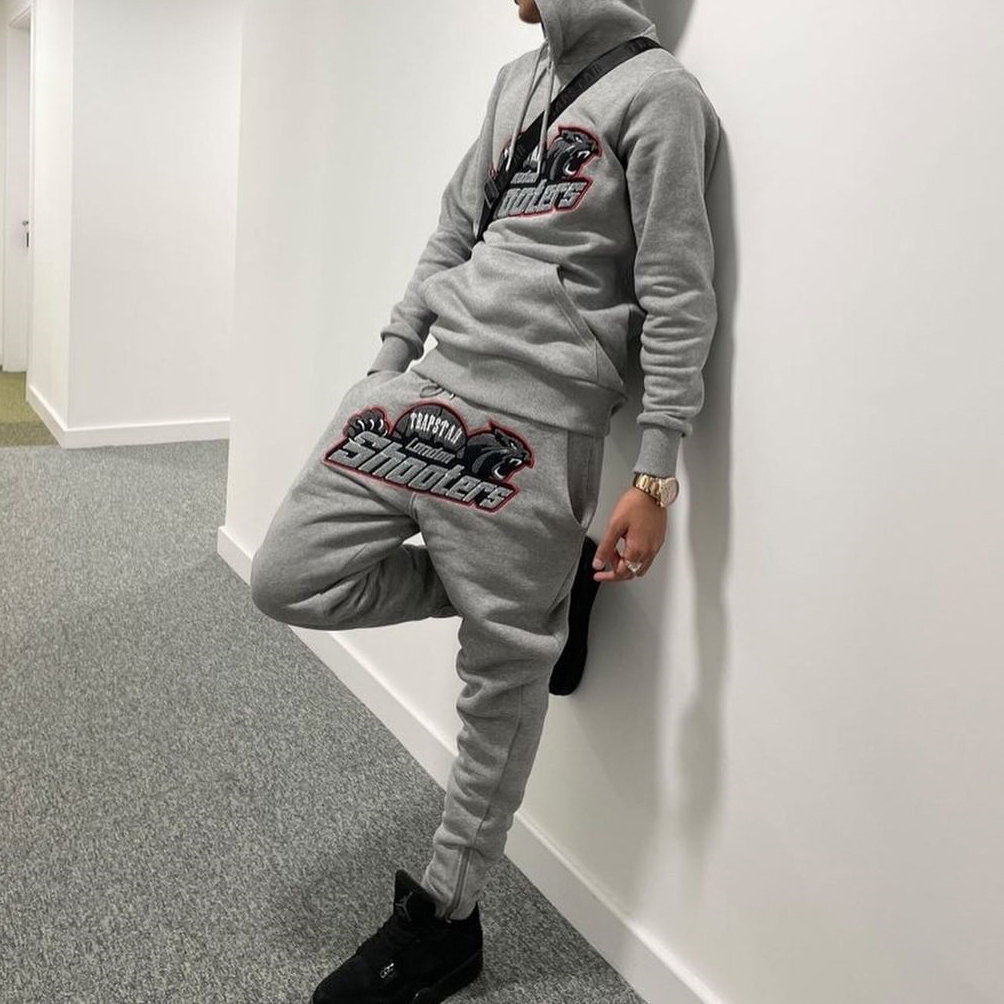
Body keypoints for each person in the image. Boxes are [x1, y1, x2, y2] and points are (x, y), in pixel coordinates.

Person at [249, 0, 722, 1000]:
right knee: (285, 575)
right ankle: (540, 595)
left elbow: (679, 291)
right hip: (423, 390)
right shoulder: (515, 83)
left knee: (497, 696)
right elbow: (451, 236)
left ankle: (445, 918)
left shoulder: (662, 98)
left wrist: (654, 473)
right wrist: (384, 370)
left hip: (539, 428)